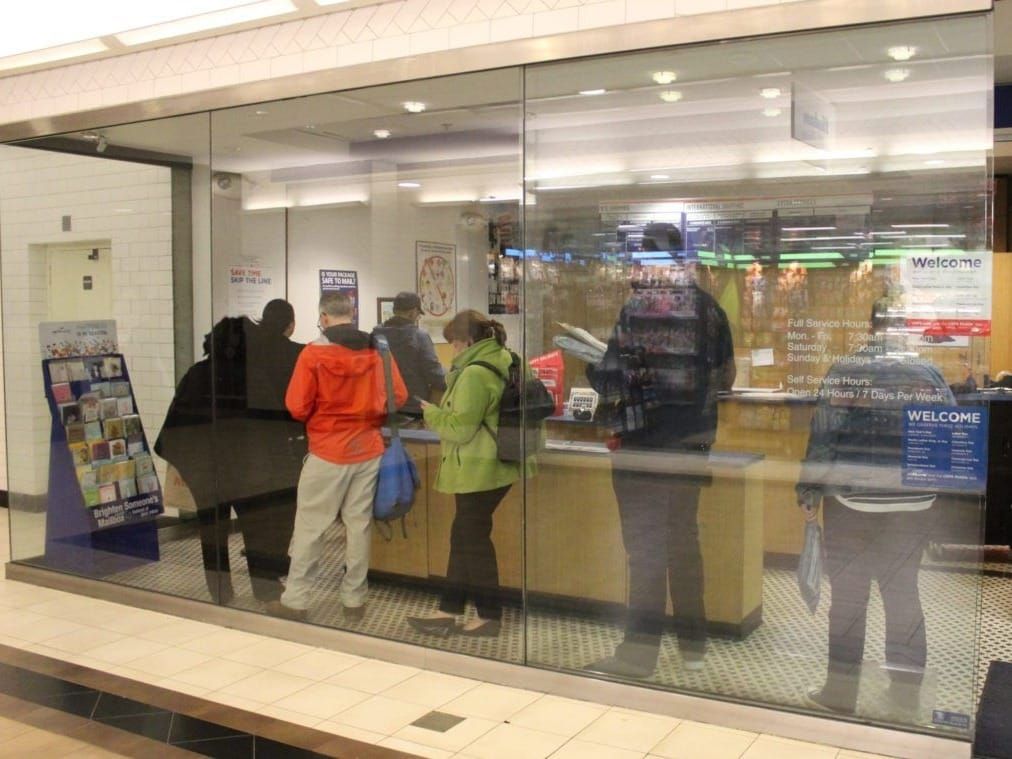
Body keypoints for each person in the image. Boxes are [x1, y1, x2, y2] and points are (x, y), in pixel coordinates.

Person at [584, 222, 736, 678]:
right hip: (690, 447)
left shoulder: (638, 310)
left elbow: (611, 377)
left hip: (643, 446)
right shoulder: (710, 311)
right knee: (683, 544)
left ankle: (638, 654)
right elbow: (724, 379)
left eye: (641, 259)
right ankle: (693, 644)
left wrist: (595, 363)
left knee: (646, 551)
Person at [797, 299, 955, 716]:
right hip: (913, 504)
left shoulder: (847, 370)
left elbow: (824, 436)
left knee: (849, 599)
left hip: (853, 502)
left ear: (869, 327)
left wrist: (809, 490)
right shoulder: (928, 373)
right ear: (903, 328)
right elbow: (951, 433)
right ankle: (905, 696)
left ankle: (841, 692)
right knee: (904, 596)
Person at [267, 291, 407, 623]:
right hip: (368, 449)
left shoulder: (313, 355)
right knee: (358, 526)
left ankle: (297, 599)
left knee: (310, 527)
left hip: (328, 451)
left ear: (324, 317)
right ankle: (354, 600)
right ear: (352, 313)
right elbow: (398, 396)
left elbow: (297, 406)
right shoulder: (379, 349)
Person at [155, 302, 305, 604]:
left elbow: (171, 432)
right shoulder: (253, 378)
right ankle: (265, 590)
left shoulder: (196, 375)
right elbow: (275, 424)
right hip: (250, 473)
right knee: (258, 530)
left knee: (212, 533)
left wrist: (192, 467)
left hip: (207, 475)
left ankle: (220, 591)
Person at [407, 310, 522, 637]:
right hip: (499, 462)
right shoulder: (507, 358)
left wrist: (433, 414)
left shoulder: (473, 373)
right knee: (465, 536)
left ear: (468, 341)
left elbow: (460, 429)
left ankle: (489, 616)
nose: (453, 350)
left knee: (472, 539)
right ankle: (448, 609)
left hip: (478, 466)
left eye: (454, 343)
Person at [373, 291, 446, 418]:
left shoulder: (375, 335)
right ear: (412, 312)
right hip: (413, 407)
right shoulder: (419, 337)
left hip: (383, 406)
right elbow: (433, 373)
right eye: (418, 314)